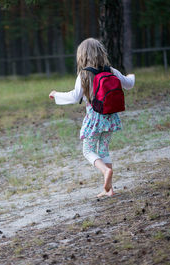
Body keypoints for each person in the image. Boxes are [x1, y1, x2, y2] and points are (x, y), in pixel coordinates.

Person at [49, 38, 135, 198]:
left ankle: (105, 170)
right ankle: (109, 190)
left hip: (94, 119)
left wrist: (56, 95)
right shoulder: (111, 71)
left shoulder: (84, 74)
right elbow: (128, 84)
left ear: (82, 56)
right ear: (101, 53)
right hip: (110, 118)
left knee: (88, 150)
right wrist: (131, 75)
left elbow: (75, 97)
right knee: (103, 149)